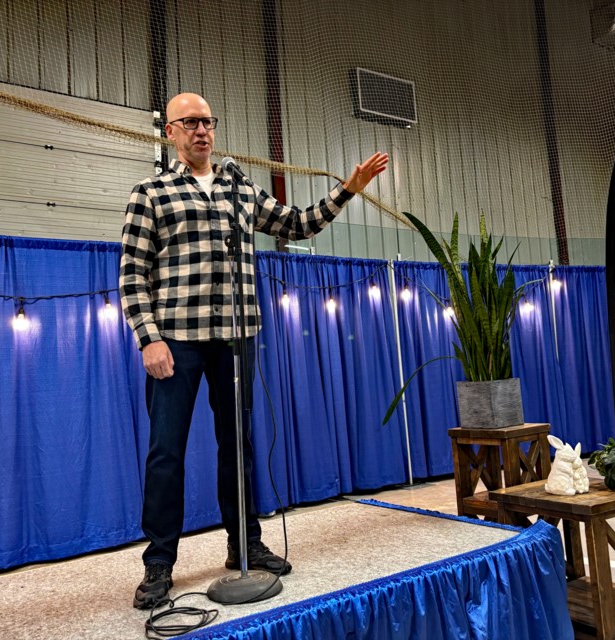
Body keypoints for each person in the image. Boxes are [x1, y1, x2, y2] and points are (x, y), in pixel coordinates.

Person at [119, 92, 388, 610]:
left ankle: (244, 544)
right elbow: (132, 273)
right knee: (165, 452)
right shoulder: (150, 193)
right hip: (176, 337)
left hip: (235, 335)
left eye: (208, 122)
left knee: (236, 445)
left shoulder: (240, 188)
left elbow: (296, 224)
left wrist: (347, 191)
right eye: (190, 123)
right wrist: (148, 337)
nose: (201, 130)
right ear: (170, 133)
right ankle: (158, 563)